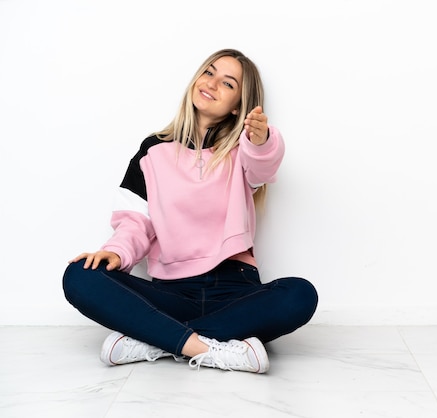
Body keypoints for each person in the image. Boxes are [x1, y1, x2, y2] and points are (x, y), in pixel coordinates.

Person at [62, 48, 318, 374]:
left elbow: (264, 165)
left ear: (238, 104)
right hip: (170, 291)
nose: (211, 83)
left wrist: (262, 138)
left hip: (235, 290)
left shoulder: (244, 149)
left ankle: (155, 340)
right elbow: (135, 221)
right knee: (79, 275)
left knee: (300, 295)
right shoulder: (152, 149)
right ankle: (205, 347)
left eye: (227, 84)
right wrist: (115, 253)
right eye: (208, 72)